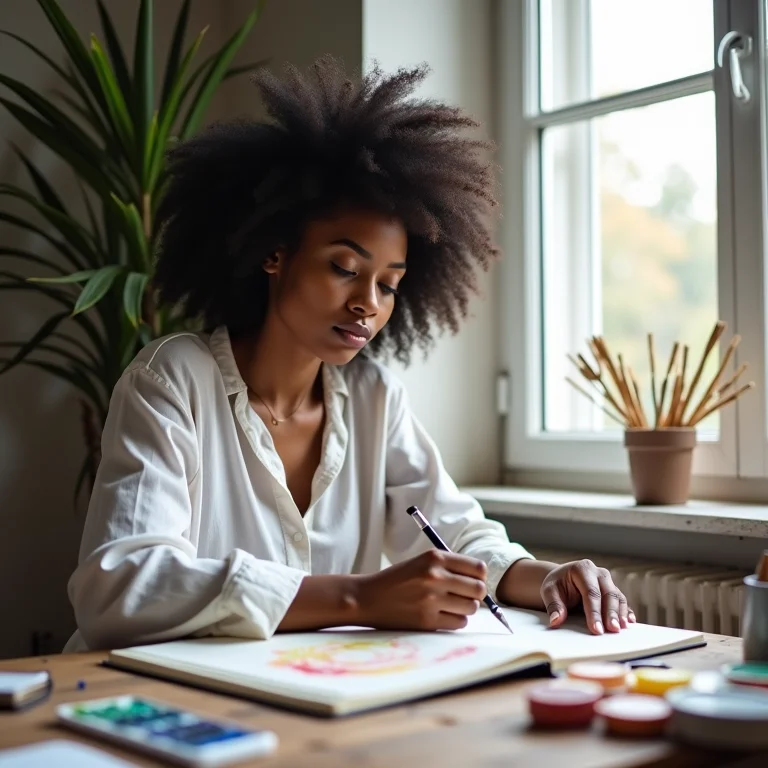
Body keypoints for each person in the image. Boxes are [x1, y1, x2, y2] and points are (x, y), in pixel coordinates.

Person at [64, 58, 634, 652]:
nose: (368, 303)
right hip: (152, 706)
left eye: (388, 284)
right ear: (273, 253)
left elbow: (456, 534)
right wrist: (359, 598)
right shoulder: (172, 380)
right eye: (344, 268)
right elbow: (119, 587)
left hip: (305, 699)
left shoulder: (373, 396)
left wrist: (550, 579)